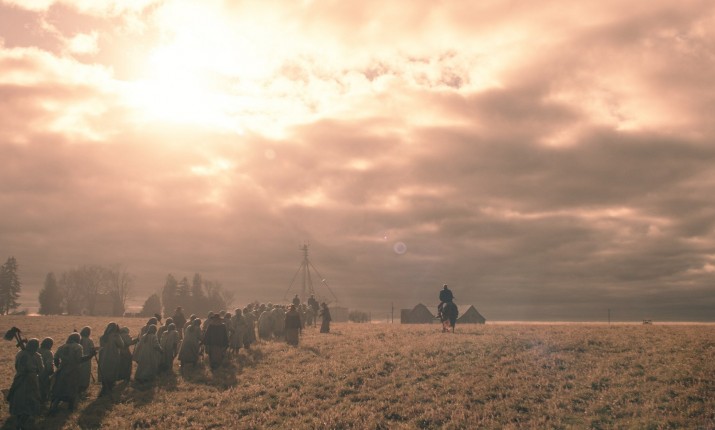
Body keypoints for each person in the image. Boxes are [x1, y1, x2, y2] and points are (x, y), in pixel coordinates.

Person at [50, 333, 95, 413]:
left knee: (61, 389)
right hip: (73, 371)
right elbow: (79, 360)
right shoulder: (78, 347)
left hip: (62, 370)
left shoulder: (62, 347)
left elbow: (56, 358)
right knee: (72, 389)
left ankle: (54, 408)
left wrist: (59, 366)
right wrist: (90, 356)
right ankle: (70, 409)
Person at [8, 338, 43, 429]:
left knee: (19, 400)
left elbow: (16, 366)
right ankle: (21, 423)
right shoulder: (37, 356)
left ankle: (19, 422)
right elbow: (41, 369)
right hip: (31, 380)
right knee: (31, 401)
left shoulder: (20, 354)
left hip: (19, 379)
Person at [78, 327, 94, 395]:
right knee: (85, 373)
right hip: (87, 359)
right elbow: (92, 350)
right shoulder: (89, 340)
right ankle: (83, 387)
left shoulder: (79, 339)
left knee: (79, 372)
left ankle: (78, 385)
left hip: (79, 359)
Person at [38, 338, 54, 403]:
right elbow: (49, 365)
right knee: (44, 389)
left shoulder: (36, 350)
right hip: (44, 374)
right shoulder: (48, 353)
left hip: (35, 372)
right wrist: (51, 372)